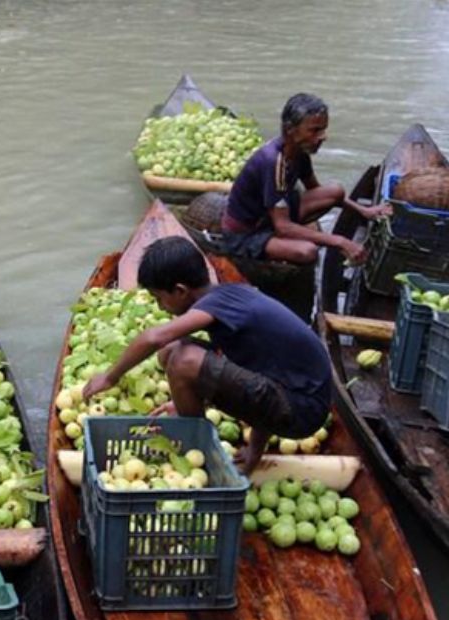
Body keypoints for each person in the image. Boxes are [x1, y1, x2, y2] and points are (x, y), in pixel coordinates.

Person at [82, 236, 331, 474]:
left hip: (301, 411)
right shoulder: (230, 294)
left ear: (180, 291)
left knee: (183, 361)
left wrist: (110, 377)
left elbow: (154, 337)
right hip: (288, 392)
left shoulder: (215, 307)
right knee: (172, 351)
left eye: (159, 299)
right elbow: (262, 369)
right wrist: (254, 449)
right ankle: (188, 416)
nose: (159, 307)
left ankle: (194, 449)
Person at [220, 93, 390, 265]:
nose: (323, 136)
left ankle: (286, 238)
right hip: (248, 233)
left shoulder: (299, 153)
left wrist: (363, 210)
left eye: (323, 129)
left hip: (271, 217)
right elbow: (283, 227)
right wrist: (339, 241)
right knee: (308, 252)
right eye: (315, 130)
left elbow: (315, 189)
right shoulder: (274, 162)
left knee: (335, 191)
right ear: (290, 130)